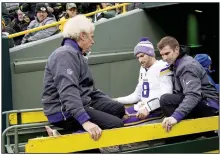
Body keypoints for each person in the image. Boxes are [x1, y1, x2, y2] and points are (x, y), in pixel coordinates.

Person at [41, 15, 125, 143]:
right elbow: (68, 90)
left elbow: (90, 90)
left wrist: (112, 103)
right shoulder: (65, 54)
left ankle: (75, 134)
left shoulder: (76, 54)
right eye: (92, 36)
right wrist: (85, 121)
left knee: (118, 109)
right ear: (82, 36)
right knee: (116, 124)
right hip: (63, 112)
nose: (93, 41)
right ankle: (66, 138)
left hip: (80, 103)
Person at [157, 36, 219, 132]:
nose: (164, 58)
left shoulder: (187, 66)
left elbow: (193, 94)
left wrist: (175, 116)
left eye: (167, 53)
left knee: (166, 100)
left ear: (176, 49)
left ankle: (187, 135)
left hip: (209, 106)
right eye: (162, 55)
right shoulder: (176, 65)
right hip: (202, 101)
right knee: (168, 99)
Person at [114, 37, 173, 125]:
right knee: (112, 114)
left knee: (118, 123)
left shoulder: (162, 67)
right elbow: (136, 96)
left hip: (156, 111)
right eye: (138, 57)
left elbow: (167, 96)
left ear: (151, 54)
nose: (140, 60)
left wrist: (148, 108)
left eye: (142, 56)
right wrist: (114, 101)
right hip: (140, 107)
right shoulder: (143, 69)